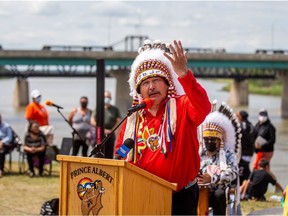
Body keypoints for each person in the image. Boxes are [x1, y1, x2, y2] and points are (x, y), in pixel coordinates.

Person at [115, 40, 211, 215]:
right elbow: (120, 153)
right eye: (145, 83)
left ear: (168, 85)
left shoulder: (182, 107)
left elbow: (203, 107)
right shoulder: (132, 120)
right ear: (139, 91)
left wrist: (184, 74)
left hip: (180, 198)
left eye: (156, 80)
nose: (151, 86)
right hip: (141, 195)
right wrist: (117, 160)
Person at [198, 102, 240, 215]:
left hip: (219, 188)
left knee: (219, 194)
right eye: (206, 139)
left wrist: (212, 178)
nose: (209, 142)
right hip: (200, 188)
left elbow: (233, 172)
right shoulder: (199, 153)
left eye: (212, 139)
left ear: (219, 140)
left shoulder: (227, 153)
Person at [91, 91, 121, 159]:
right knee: (98, 154)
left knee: (109, 154)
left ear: (110, 98)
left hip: (110, 134)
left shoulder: (115, 109)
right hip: (99, 134)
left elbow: (118, 121)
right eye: (105, 97)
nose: (106, 98)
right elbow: (92, 121)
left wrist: (112, 130)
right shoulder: (98, 108)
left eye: (108, 97)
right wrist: (103, 130)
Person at [236, 110, 255, 185]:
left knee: (243, 170)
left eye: (237, 116)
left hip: (242, 152)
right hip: (250, 152)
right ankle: (246, 185)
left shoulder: (239, 126)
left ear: (240, 117)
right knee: (245, 169)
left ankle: (244, 185)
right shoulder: (251, 125)